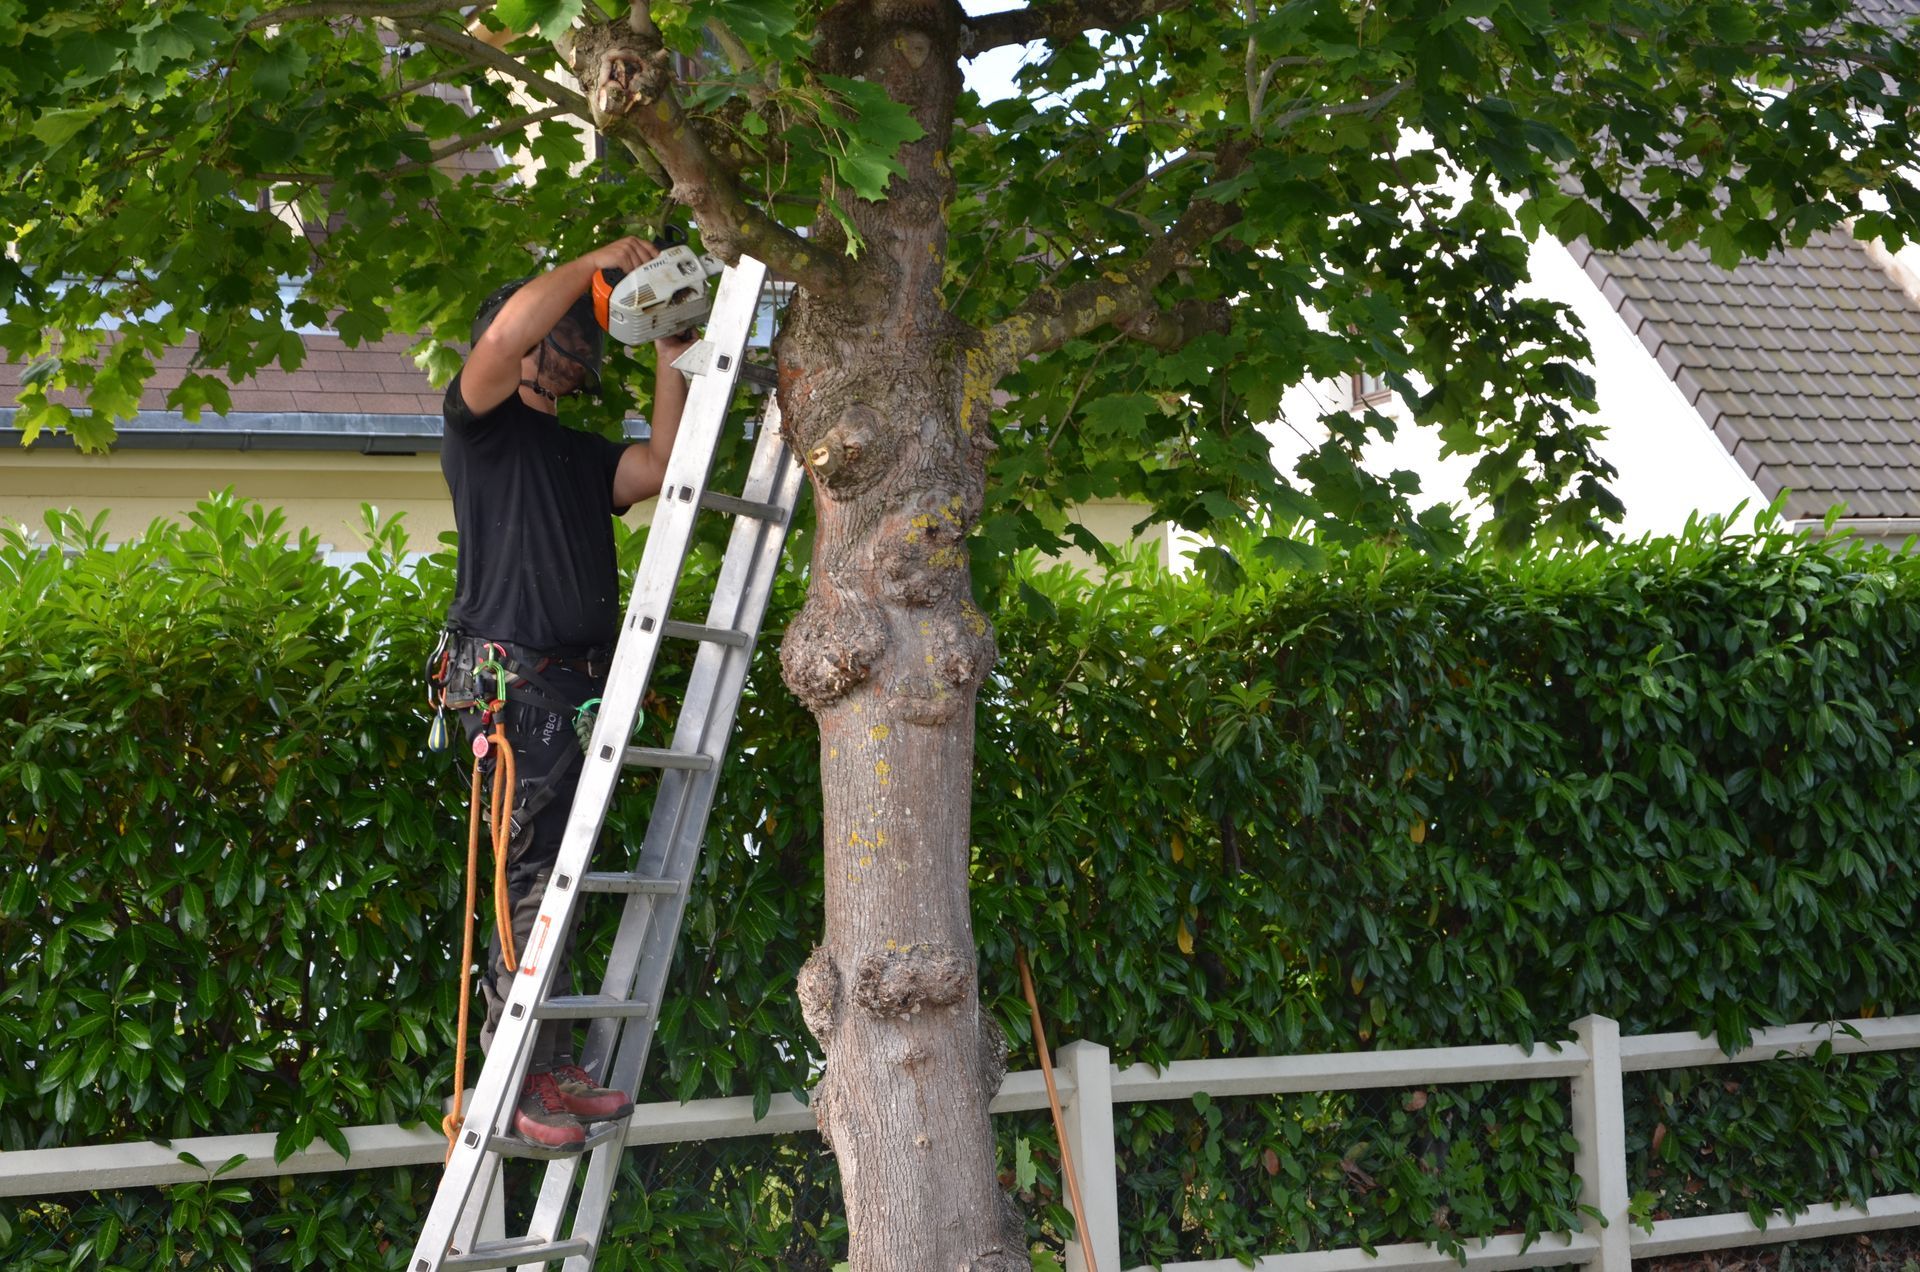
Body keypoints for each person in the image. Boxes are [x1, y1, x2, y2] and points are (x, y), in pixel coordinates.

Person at [435, 236, 694, 1150]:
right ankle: (516, 1081)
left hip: (575, 699)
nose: (578, 350)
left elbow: (662, 464)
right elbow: (506, 339)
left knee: (559, 887)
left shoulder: (579, 456)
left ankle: (546, 1066)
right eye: (567, 334)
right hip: (513, 695)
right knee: (529, 885)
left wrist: (670, 350)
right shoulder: (480, 427)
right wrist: (592, 260)